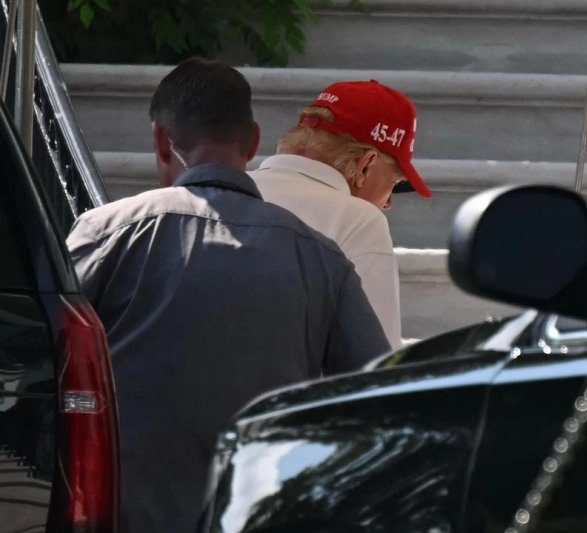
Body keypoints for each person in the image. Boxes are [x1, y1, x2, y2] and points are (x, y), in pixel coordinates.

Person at [66, 58, 390, 533]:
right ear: (254, 141)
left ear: (160, 139)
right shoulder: (322, 259)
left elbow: (40, 348)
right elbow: (372, 394)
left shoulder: (107, 234)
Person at [249, 80, 431, 349]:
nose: (388, 203)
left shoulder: (207, 195)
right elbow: (373, 360)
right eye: (394, 183)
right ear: (366, 165)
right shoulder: (358, 221)